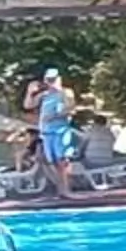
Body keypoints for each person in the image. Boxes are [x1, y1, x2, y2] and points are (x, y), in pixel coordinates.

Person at [22, 68, 78, 199]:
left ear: (59, 79)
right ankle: (60, 189)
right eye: (48, 80)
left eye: (53, 80)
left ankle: (67, 189)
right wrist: (30, 92)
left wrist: (54, 115)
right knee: (51, 161)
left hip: (60, 131)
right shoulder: (44, 95)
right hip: (47, 132)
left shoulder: (65, 93)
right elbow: (28, 105)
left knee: (63, 160)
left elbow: (71, 108)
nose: (51, 83)